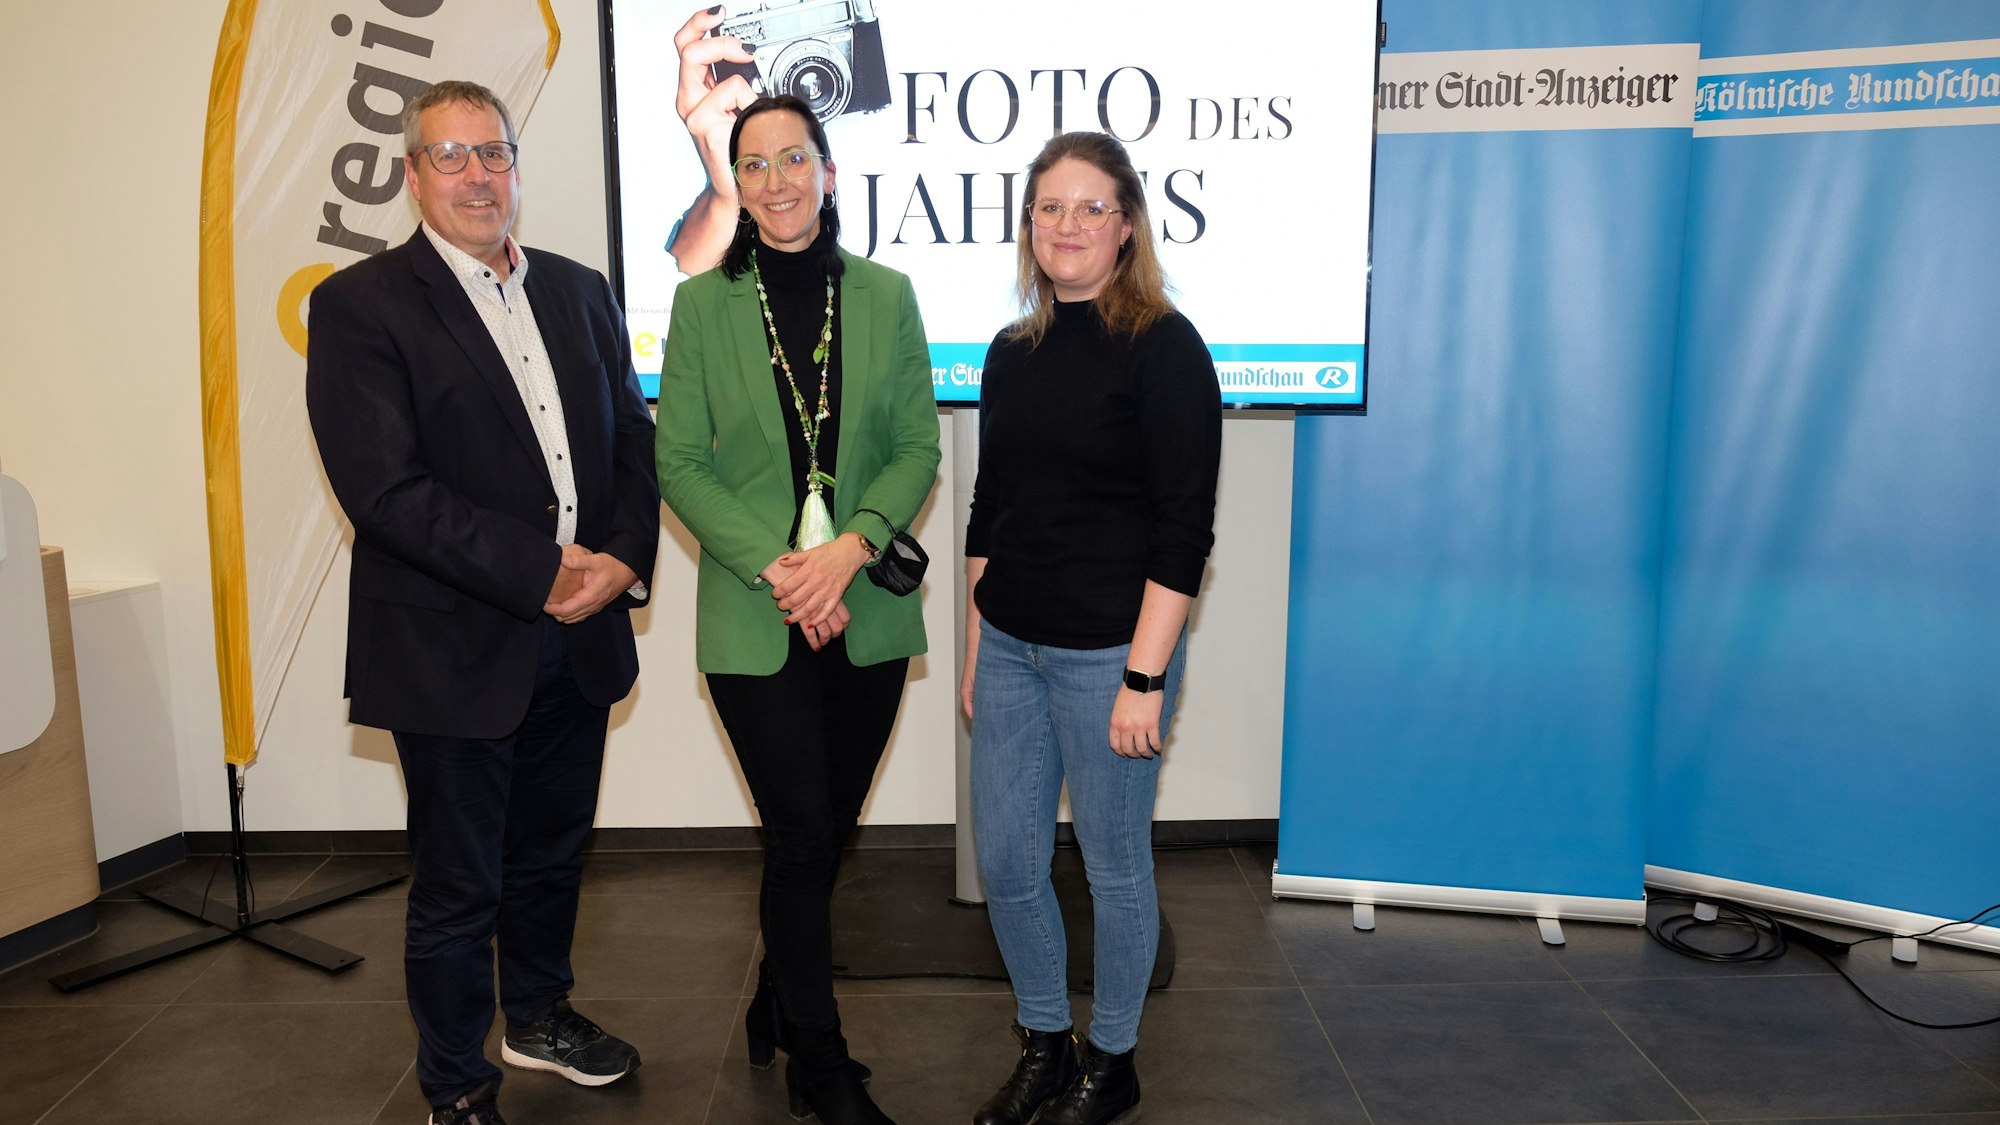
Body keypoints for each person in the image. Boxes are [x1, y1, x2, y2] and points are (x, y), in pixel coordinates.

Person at [305, 80, 659, 1125]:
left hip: (581, 633)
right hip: (455, 649)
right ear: (411, 175)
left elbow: (632, 451)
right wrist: (543, 568)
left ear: (515, 166)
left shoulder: (580, 289)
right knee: (460, 885)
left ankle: (539, 1016)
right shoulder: (361, 306)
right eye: (449, 157)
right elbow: (385, 492)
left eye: (492, 153)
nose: (476, 175)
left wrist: (620, 561)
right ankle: (456, 1083)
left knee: (551, 854)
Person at [656, 94, 940, 1125]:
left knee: (825, 835)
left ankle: (778, 995)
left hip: (862, 607)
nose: (775, 180)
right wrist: (787, 570)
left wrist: (849, 549)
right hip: (753, 608)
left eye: (793, 158)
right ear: (735, 180)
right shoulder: (700, 306)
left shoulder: (886, 294)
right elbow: (677, 463)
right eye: (754, 162)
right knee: (798, 833)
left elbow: (917, 444)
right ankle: (821, 1061)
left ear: (825, 169)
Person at [962, 131, 1222, 1125]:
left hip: (1113, 653)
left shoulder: (1165, 347)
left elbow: (1182, 527)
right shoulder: (1009, 351)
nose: (1066, 224)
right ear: (1028, 226)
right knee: (1008, 864)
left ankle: (1110, 1063)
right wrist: (980, 648)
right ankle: (1042, 1044)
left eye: (1089, 208)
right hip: (1015, 649)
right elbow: (991, 509)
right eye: (1048, 207)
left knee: (1112, 868)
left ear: (1124, 228)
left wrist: (1145, 680)